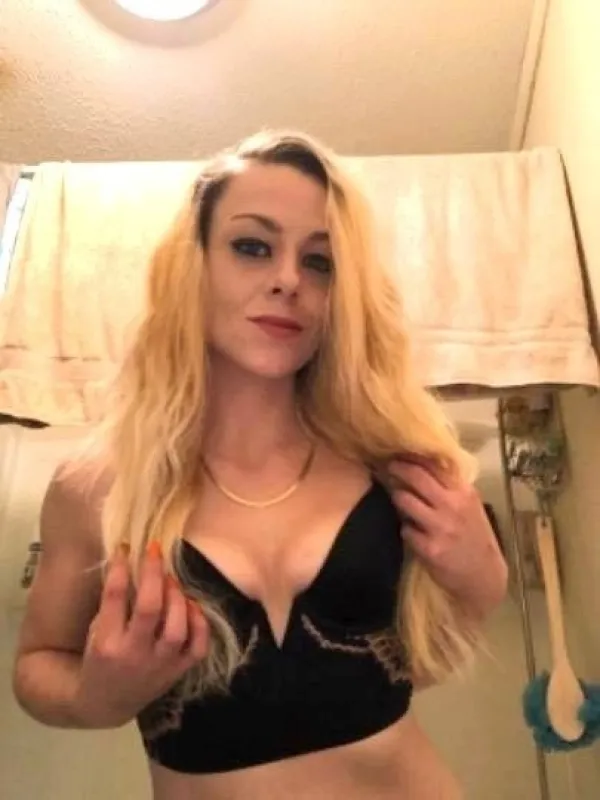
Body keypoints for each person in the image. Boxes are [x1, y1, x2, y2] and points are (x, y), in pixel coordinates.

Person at [12, 130, 508, 800]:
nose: (288, 279)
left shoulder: (388, 464)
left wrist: (484, 582)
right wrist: (96, 696)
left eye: (320, 261)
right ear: (194, 265)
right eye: (252, 246)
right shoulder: (98, 486)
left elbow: (417, 664)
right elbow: (37, 665)